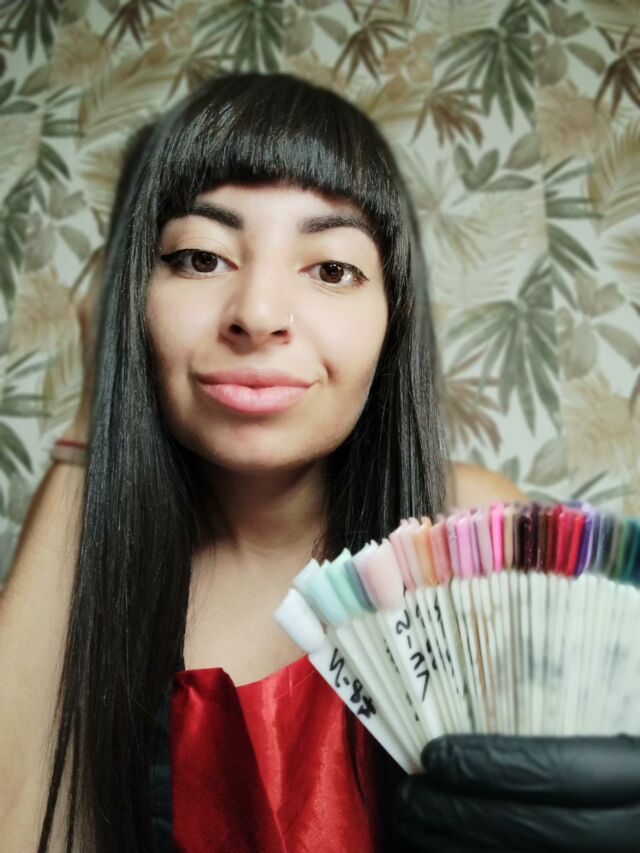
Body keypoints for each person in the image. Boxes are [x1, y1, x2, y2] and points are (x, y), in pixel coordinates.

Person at [2, 71, 636, 853]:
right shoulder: (93, 573)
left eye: (332, 268)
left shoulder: (470, 537)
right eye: (200, 257)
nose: (258, 314)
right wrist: (94, 412)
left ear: (392, 318)